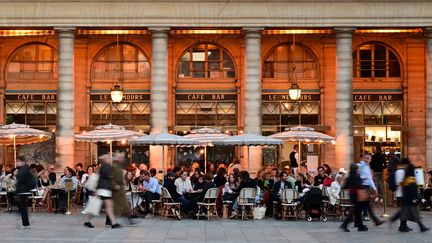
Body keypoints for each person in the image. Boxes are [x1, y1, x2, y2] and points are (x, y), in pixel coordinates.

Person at [399, 160, 429, 232]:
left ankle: (402, 226)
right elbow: (412, 191)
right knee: (415, 214)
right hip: (410, 201)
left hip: (406, 200)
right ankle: (422, 227)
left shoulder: (407, 179)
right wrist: (414, 198)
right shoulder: (411, 180)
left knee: (404, 214)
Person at [93, 155, 120, 228]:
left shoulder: (103, 167)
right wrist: (115, 185)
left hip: (103, 189)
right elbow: (110, 177)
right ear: (105, 160)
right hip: (104, 189)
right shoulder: (107, 167)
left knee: (106, 206)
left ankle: (112, 222)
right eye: (108, 158)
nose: (110, 159)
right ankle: (113, 223)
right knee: (107, 206)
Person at [339, 163, 368, 232]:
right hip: (356, 195)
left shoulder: (350, 176)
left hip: (352, 194)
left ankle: (360, 226)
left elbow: (345, 186)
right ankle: (345, 225)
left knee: (357, 211)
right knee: (355, 211)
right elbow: (359, 185)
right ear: (356, 169)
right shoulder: (356, 176)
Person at [357, 153, 384, 225]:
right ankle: (374, 220)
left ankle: (373, 220)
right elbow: (368, 178)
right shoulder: (360, 166)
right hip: (362, 187)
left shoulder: (366, 166)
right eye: (368, 159)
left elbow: (369, 178)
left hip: (365, 187)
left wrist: (374, 188)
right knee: (365, 204)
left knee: (364, 204)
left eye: (370, 159)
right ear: (365, 158)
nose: (369, 160)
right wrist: (374, 189)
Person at [110, 155, 135, 225]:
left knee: (124, 204)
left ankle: (130, 218)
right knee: (113, 206)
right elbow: (111, 177)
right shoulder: (114, 167)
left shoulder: (119, 167)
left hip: (120, 189)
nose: (123, 159)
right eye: (121, 158)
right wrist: (114, 185)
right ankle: (110, 220)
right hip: (116, 190)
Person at [15, 156, 36, 229]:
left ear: (22, 162)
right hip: (22, 191)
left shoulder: (24, 170)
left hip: (23, 192)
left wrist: (25, 188)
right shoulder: (23, 169)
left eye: (18, 161)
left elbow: (32, 181)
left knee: (23, 209)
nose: (16, 163)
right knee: (23, 208)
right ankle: (25, 223)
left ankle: (25, 224)